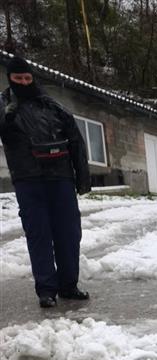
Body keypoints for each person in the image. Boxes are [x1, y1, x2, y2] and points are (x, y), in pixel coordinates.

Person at [0, 55, 91, 308]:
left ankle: (69, 285)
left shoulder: (52, 107)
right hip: (28, 180)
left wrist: (82, 179)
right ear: (10, 79)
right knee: (39, 234)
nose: (24, 82)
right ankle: (46, 290)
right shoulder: (4, 105)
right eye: (18, 78)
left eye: (28, 78)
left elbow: (75, 141)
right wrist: (6, 117)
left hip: (61, 178)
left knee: (69, 232)